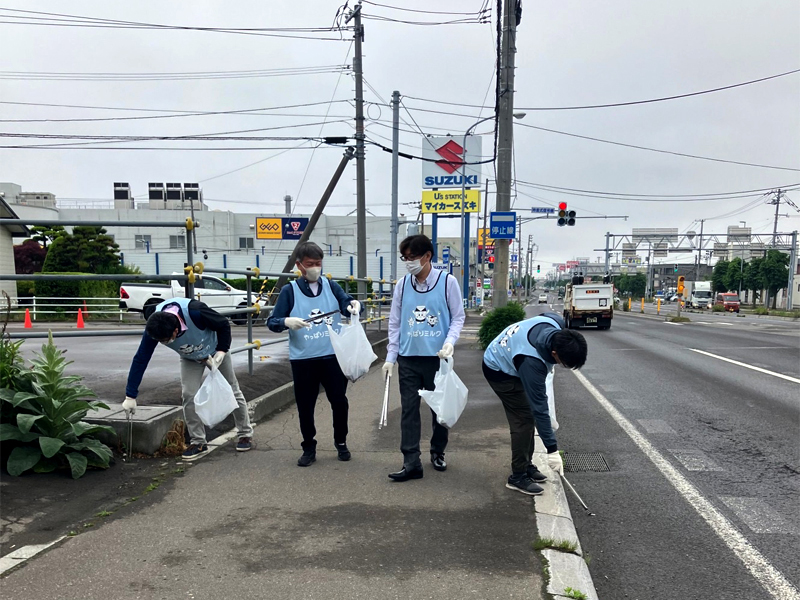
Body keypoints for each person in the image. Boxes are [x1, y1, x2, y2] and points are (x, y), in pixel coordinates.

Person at [123, 297, 254, 461]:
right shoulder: (155, 325)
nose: (164, 343)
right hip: (189, 358)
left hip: (214, 353)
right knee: (189, 395)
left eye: (166, 340)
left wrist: (222, 350)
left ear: (175, 331)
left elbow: (223, 324)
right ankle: (198, 441)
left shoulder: (196, 312)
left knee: (232, 390)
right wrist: (130, 395)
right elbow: (141, 358)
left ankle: (245, 433)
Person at [268, 241, 361, 467]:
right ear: (299, 266)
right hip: (304, 359)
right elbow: (272, 322)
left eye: (319, 263)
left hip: (332, 356)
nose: (315, 268)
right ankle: (308, 446)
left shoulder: (331, 286)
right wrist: (286, 321)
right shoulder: (290, 291)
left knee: (339, 402)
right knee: (305, 405)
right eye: (310, 264)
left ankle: (341, 442)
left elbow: (347, 303)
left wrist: (354, 306)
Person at [382, 234, 465, 482]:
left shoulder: (447, 282)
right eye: (404, 258)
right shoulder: (402, 285)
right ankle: (411, 462)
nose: (408, 262)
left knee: (439, 410)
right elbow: (395, 322)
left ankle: (438, 451)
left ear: (427, 256)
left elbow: (458, 317)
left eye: (412, 257)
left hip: (437, 358)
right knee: (409, 410)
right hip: (408, 358)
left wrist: (449, 343)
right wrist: (390, 356)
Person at [482, 312, 587, 496]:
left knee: (528, 415)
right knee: (523, 419)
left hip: (512, 355)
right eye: (562, 362)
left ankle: (527, 464)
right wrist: (552, 449)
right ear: (554, 353)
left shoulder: (556, 323)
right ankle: (518, 476)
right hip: (498, 369)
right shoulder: (532, 362)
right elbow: (540, 408)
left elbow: (542, 315)